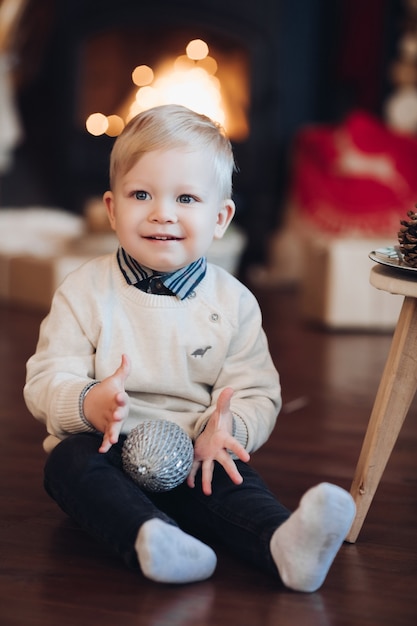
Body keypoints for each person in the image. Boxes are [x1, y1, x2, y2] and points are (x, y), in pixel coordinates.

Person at [24, 104, 355, 592]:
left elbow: (257, 392)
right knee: (67, 464)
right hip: (106, 447)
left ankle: (284, 544)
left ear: (220, 218)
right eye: (142, 194)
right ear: (113, 209)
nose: (163, 213)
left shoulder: (234, 303)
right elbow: (46, 378)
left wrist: (226, 429)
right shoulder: (84, 291)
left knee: (234, 481)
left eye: (186, 198)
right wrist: (86, 402)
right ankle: (152, 537)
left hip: (196, 452)